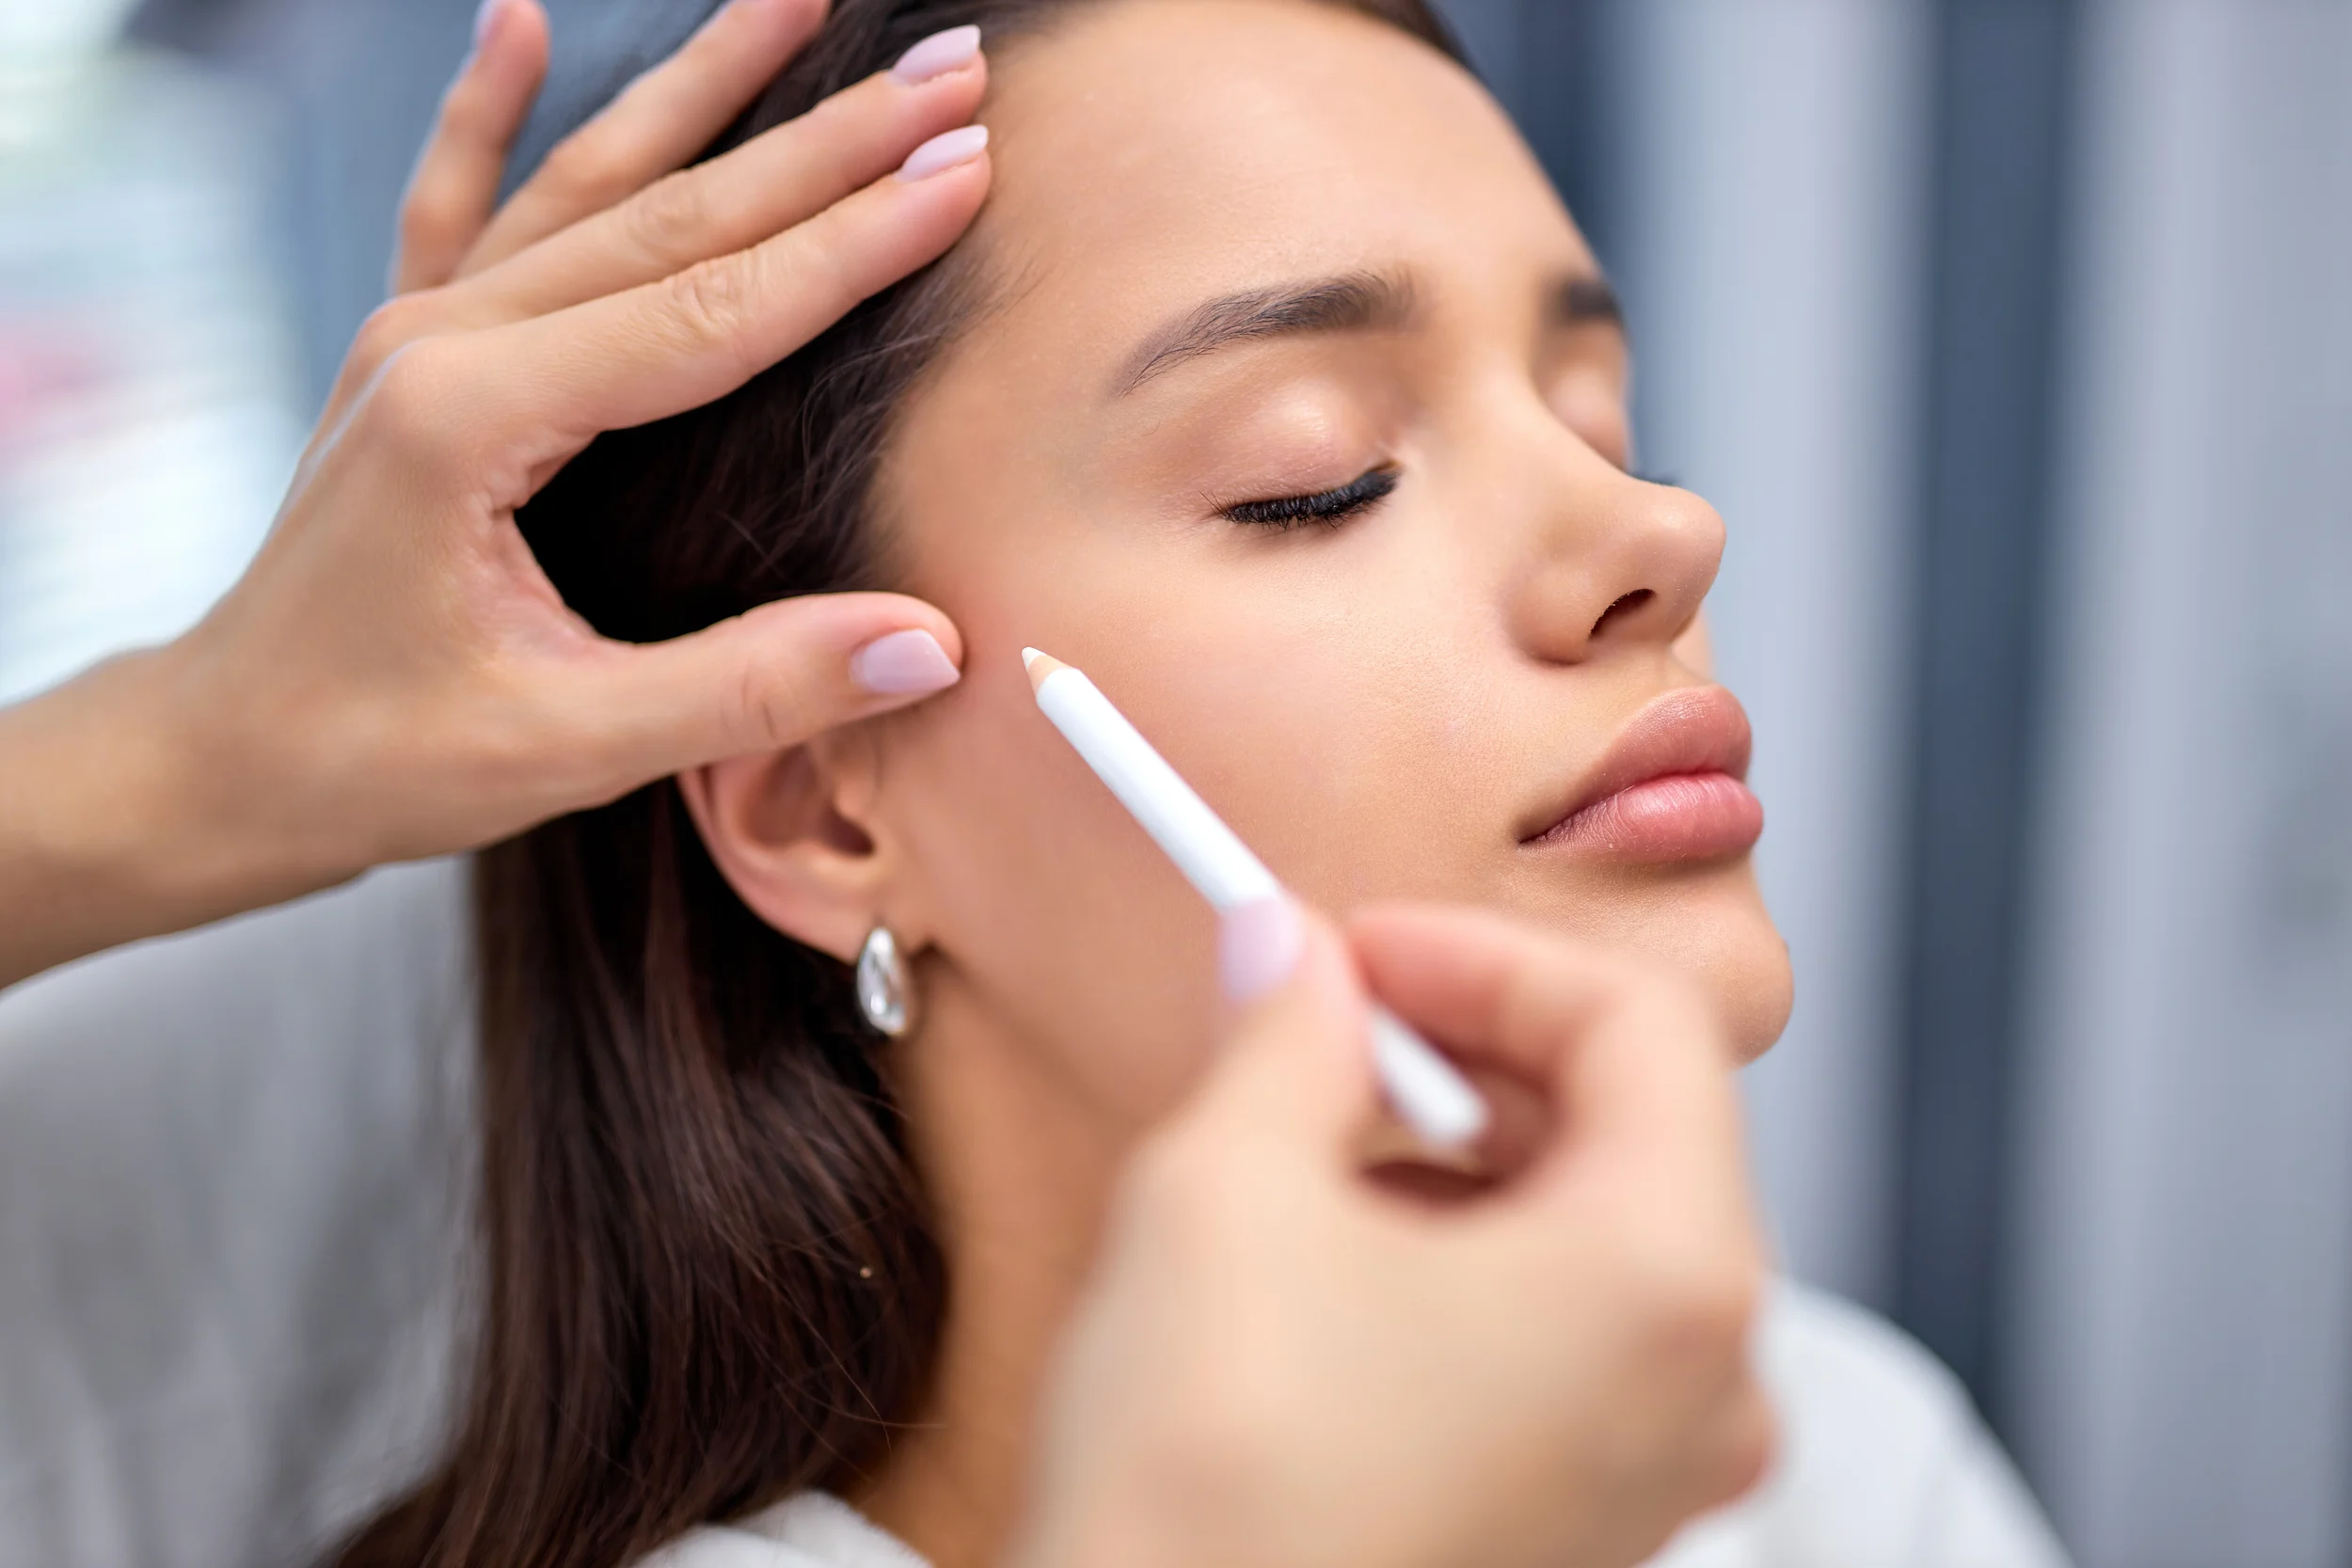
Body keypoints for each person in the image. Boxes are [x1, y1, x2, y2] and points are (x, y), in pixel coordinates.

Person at [281, 2, 2064, 1566]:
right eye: (1318, 477)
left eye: (1596, 422)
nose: (1661, 529)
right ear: (822, 808)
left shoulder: (1835, 1460)